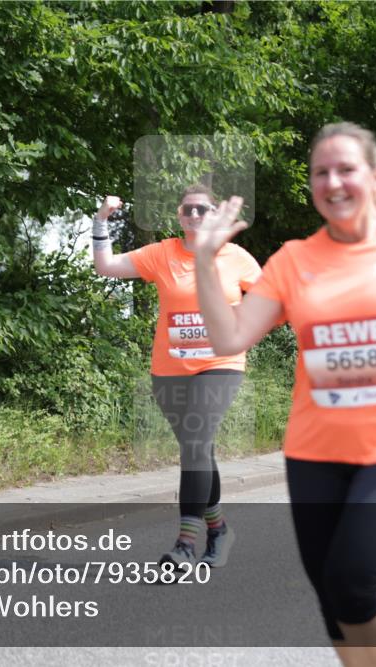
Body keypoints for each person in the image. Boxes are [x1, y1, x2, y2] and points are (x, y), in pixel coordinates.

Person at [192, 122, 376, 666]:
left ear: (375, 175)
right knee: (331, 598)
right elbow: (228, 336)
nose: (333, 181)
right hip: (315, 451)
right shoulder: (294, 260)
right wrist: (206, 262)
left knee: (352, 581)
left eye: (345, 168)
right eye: (320, 172)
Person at [91, 185, 262, 568]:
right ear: (179, 214)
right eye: (188, 209)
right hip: (169, 369)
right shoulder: (162, 254)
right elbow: (106, 267)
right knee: (197, 450)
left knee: (197, 442)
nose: (195, 215)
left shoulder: (235, 257)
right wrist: (101, 221)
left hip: (221, 364)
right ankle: (219, 530)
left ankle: (185, 544)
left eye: (203, 209)